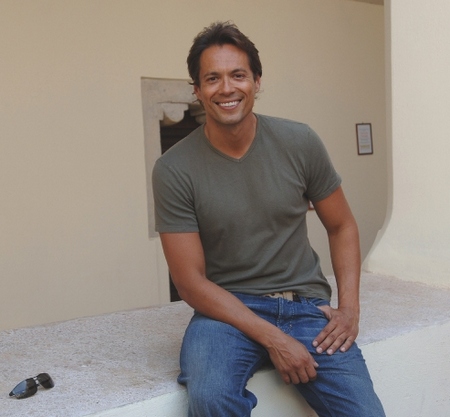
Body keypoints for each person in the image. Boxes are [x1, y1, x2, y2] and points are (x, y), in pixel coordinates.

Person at [152, 21, 385, 417]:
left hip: (306, 307)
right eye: (212, 78)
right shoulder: (174, 169)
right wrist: (273, 338)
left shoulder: (300, 142)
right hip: (225, 314)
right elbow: (190, 282)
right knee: (211, 399)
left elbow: (342, 225)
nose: (226, 88)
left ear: (257, 82)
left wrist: (350, 310)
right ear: (197, 90)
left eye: (238, 75)